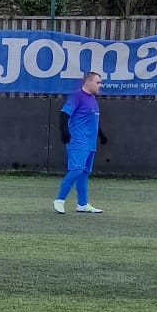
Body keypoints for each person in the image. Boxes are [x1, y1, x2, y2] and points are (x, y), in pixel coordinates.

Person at [54, 69, 106, 215]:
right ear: (88, 82)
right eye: (98, 82)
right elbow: (64, 114)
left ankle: (82, 204)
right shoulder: (77, 96)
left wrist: (101, 135)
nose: (100, 85)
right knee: (76, 170)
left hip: (90, 143)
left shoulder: (93, 99)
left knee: (84, 173)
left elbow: (92, 121)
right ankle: (59, 200)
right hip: (78, 140)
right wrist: (64, 132)